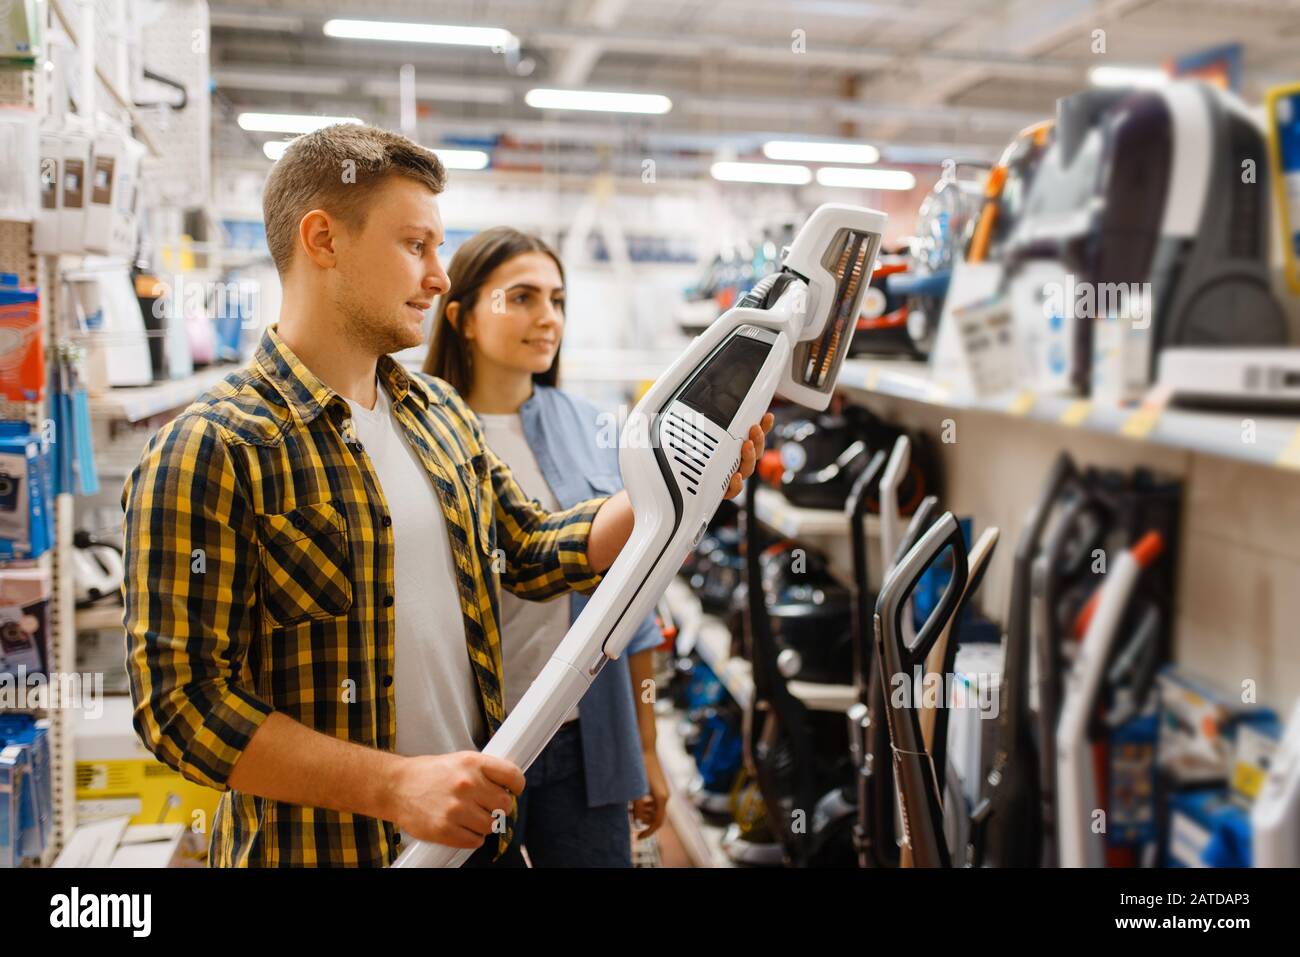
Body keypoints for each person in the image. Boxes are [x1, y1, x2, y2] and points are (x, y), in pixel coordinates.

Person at [120, 122, 771, 867]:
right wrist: (396, 787)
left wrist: (683, 480)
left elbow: (529, 549)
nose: (438, 276)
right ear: (323, 240)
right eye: (415, 246)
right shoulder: (213, 447)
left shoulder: (439, 417)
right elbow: (181, 706)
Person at [425, 227, 668, 866]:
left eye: (557, 300)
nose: (547, 318)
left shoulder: (594, 428)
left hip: (583, 735)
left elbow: (631, 603)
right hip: (467, 745)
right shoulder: (424, 432)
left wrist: (646, 749)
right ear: (463, 318)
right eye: (523, 298)